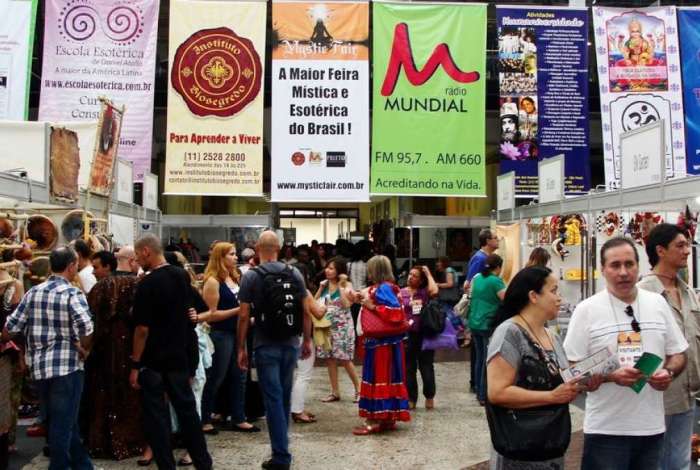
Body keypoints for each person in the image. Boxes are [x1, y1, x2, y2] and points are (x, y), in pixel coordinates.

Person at [563, 237, 688, 470]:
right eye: (615, 265)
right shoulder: (586, 311)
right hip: (606, 430)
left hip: (651, 429)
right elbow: (573, 369)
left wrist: (668, 372)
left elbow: (679, 353)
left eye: (629, 264)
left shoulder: (657, 304)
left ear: (638, 267)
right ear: (603, 270)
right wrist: (611, 377)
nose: (623, 272)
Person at [4, 246, 94, 470]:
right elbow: (87, 327)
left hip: (41, 370)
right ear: (71, 266)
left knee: (61, 421)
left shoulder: (33, 291)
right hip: (67, 368)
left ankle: (83, 466)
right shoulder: (72, 293)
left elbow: (12, 326)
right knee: (62, 424)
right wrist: (84, 348)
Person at [128, 234, 212, 470]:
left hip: (153, 361)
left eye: (137, 255)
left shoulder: (147, 284)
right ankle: (203, 463)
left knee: (157, 418)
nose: (137, 259)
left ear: (146, 251)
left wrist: (135, 364)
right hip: (178, 358)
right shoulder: (181, 276)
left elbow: (142, 329)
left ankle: (166, 465)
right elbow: (192, 315)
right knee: (188, 415)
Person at [486, 266, 580, 469]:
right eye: (554, 291)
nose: (560, 299)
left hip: (550, 444)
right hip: (519, 448)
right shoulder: (510, 333)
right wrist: (551, 397)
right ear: (533, 296)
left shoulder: (552, 336)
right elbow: (497, 392)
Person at [237, 231, 313, 470]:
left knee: (273, 400)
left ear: (258, 248)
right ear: (279, 248)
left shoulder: (251, 277)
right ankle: (282, 451)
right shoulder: (295, 273)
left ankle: (281, 456)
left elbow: (243, 316)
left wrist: (241, 348)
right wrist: (307, 340)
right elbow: (306, 310)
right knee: (284, 398)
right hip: (291, 344)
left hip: (264, 344)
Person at [638, 223, 700, 470]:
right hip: (656, 396)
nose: (687, 250)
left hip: (687, 395)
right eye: (680, 245)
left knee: (680, 463)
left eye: (687, 245)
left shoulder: (688, 293)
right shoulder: (642, 294)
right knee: (655, 462)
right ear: (660, 251)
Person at [84, 251, 145, 461]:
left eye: (96, 267)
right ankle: (132, 438)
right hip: (132, 345)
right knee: (129, 392)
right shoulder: (139, 284)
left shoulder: (100, 288)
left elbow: (90, 318)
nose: (93, 271)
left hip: (105, 347)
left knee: (104, 392)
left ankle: (104, 440)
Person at [196, 242, 258, 434]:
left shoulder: (235, 277)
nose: (235, 257)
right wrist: (239, 310)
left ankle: (239, 417)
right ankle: (205, 418)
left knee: (239, 375)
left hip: (239, 331)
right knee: (216, 376)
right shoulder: (213, 281)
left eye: (235, 254)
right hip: (221, 334)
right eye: (231, 254)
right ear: (220, 257)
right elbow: (210, 315)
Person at [353, 255, 410, 435]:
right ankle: (387, 417)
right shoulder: (388, 287)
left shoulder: (383, 288)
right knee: (389, 377)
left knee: (378, 377)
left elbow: (395, 314)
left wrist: (372, 307)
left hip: (381, 345)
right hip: (389, 343)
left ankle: (375, 419)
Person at [314, 257, 360, 403]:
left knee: (345, 359)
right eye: (327, 267)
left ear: (339, 271)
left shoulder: (347, 285)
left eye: (331, 268)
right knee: (330, 359)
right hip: (327, 327)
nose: (327, 270)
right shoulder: (324, 285)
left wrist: (341, 287)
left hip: (343, 328)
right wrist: (320, 288)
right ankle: (335, 392)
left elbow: (347, 305)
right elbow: (314, 303)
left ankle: (359, 390)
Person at [464, 229, 499, 393]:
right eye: (495, 238)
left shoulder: (482, 258)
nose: (498, 240)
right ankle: (477, 385)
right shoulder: (480, 259)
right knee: (480, 354)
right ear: (487, 240)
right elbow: (469, 284)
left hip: (478, 316)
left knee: (478, 353)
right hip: (481, 316)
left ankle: (477, 384)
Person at [469, 254, 506, 406]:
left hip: (474, 322)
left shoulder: (477, 279)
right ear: (498, 267)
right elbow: (506, 298)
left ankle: (478, 390)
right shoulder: (495, 281)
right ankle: (484, 394)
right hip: (487, 323)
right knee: (487, 360)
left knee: (479, 359)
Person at [399, 265, 438, 409]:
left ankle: (429, 395)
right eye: (410, 274)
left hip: (425, 334)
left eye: (415, 276)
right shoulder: (401, 292)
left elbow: (435, 290)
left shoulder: (424, 292)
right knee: (409, 367)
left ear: (421, 280)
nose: (410, 277)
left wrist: (428, 273)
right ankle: (411, 398)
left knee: (426, 366)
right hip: (407, 335)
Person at [290, 290, 325, 424]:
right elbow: (318, 313)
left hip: (284, 336)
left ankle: (292, 407)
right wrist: (324, 306)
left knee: (288, 374)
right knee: (304, 374)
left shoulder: (280, 288)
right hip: (301, 336)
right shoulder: (303, 291)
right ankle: (297, 410)